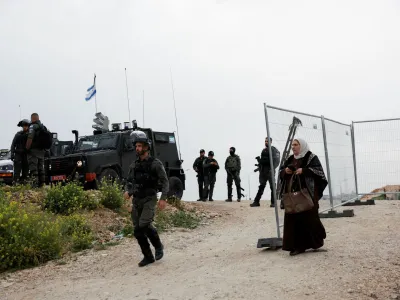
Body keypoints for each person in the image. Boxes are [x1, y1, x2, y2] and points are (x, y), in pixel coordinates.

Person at [123, 130, 169, 267]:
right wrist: (128, 191)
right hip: (137, 200)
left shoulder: (155, 164)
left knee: (144, 224)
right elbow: (129, 181)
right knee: (137, 230)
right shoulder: (134, 165)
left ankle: (158, 246)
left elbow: (165, 181)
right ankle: (148, 256)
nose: (137, 148)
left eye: (140, 146)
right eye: (136, 146)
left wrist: (163, 198)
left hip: (150, 198)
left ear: (146, 147)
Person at [278, 138, 327, 256]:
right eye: (292, 145)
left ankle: (315, 243)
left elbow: (319, 173)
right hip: (292, 196)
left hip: (307, 195)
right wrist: (286, 171)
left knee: (310, 218)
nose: (293, 147)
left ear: (302, 145)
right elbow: (281, 172)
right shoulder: (289, 159)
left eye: (296, 144)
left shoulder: (311, 157)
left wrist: (304, 171)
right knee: (293, 219)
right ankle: (297, 246)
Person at [250, 137, 280, 207]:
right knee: (261, 186)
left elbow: (276, 161)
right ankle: (256, 202)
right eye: (265, 141)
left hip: (270, 171)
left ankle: (273, 203)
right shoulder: (264, 150)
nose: (266, 142)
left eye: (267, 141)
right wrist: (260, 164)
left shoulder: (273, 150)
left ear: (271, 142)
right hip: (263, 171)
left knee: (272, 187)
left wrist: (272, 169)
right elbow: (262, 162)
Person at [25, 113, 47, 187]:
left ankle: (35, 185)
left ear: (32, 119)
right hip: (42, 152)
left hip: (33, 152)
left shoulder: (32, 127)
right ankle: (42, 184)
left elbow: (30, 138)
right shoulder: (43, 127)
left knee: (33, 169)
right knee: (41, 169)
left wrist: (27, 148)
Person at [10, 119, 30, 184]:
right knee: (17, 171)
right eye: (24, 126)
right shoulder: (18, 134)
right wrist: (12, 154)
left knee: (25, 171)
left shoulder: (30, 135)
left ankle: (24, 184)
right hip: (18, 154)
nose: (25, 127)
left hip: (26, 155)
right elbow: (13, 144)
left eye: (26, 126)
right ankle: (15, 183)